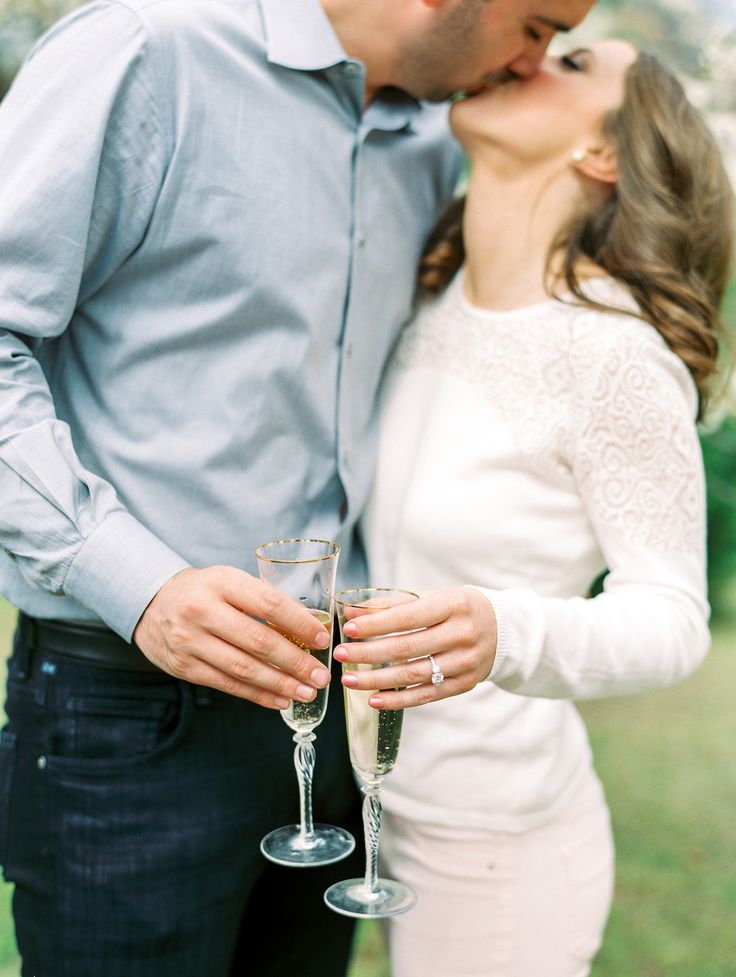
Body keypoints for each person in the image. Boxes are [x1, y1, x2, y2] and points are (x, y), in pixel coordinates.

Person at [0, 0, 599, 974]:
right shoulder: (148, 53)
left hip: (330, 718)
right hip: (129, 709)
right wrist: (138, 582)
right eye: (534, 26)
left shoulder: (432, 145)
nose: (530, 63)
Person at [333, 39, 735, 977]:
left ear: (604, 155)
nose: (527, 57)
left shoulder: (615, 355)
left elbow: (675, 617)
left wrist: (501, 631)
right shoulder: (433, 298)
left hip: (498, 846)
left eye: (575, 60)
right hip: (385, 807)